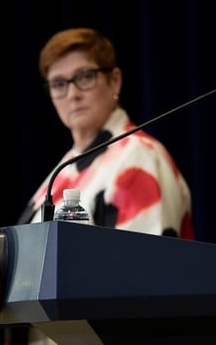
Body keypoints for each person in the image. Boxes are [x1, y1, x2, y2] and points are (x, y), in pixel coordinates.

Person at [21, 27, 195, 237]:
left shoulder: (138, 156)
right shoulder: (66, 167)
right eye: (58, 84)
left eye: (85, 77)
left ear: (114, 81)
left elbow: (145, 263)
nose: (72, 94)